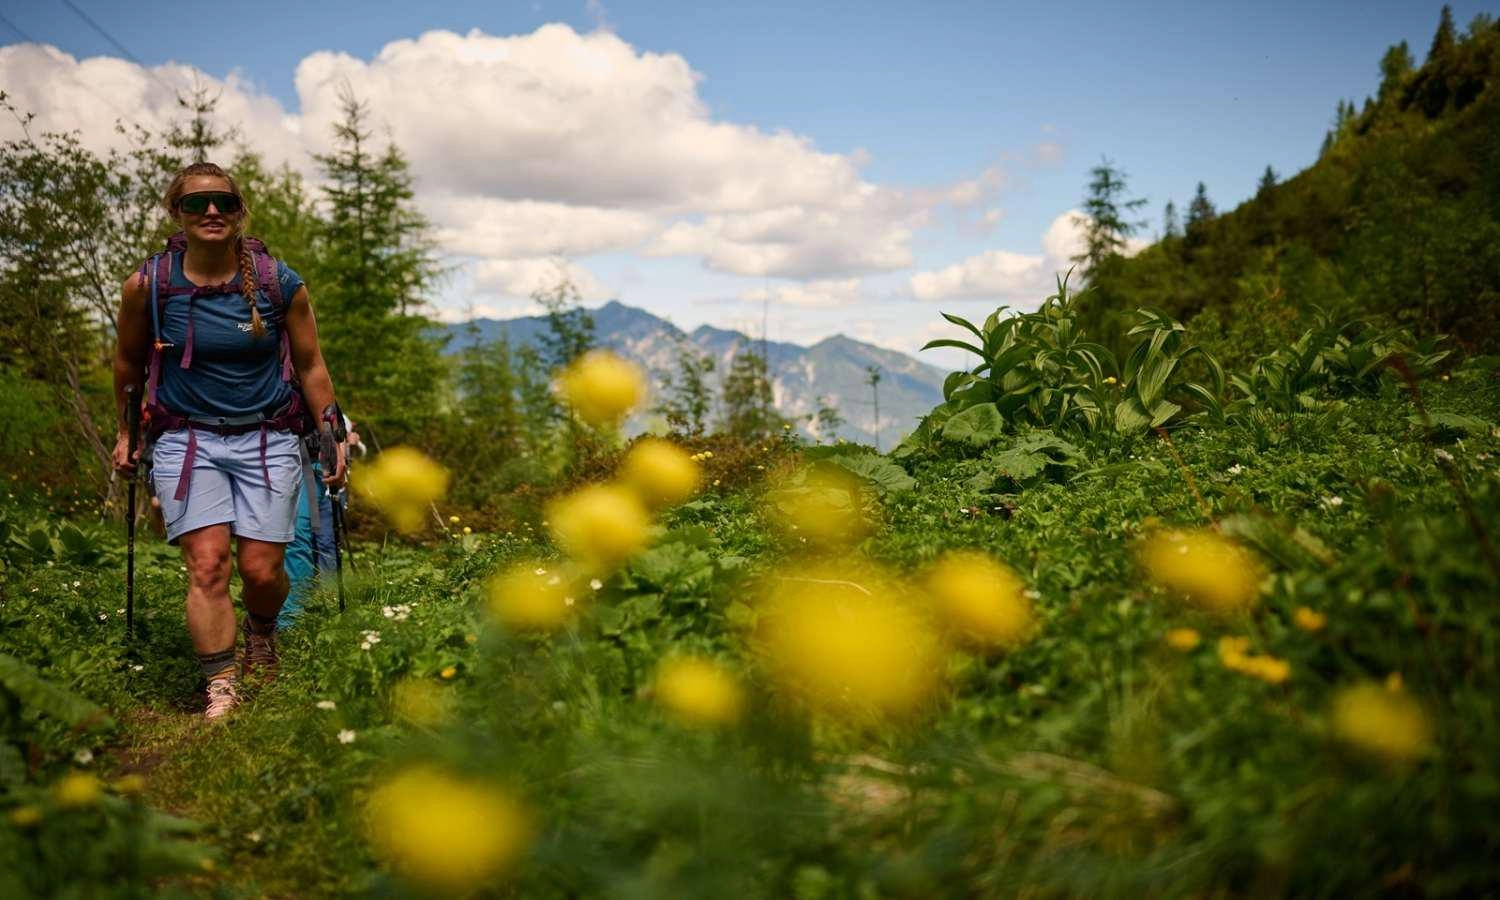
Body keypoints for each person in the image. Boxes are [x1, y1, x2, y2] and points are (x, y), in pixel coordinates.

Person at [112, 162, 344, 721]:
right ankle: (220, 683)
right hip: (185, 440)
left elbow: (310, 365)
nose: (211, 212)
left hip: (266, 436)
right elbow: (128, 362)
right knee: (209, 565)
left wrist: (331, 430)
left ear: (240, 212)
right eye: (196, 203)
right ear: (178, 213)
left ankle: (261, 633)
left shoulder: (278, 283)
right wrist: (127, 432)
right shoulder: (148, 285)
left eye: (222, 202)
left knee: (263, 571)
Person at [280, 414, 359, 628]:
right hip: (295, 462)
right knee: (302, 540)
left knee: (320, 542)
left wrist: (342, 450)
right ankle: (288, 614)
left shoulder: (334, 413)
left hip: (318, 470)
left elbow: (345, 437)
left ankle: (315, 603)